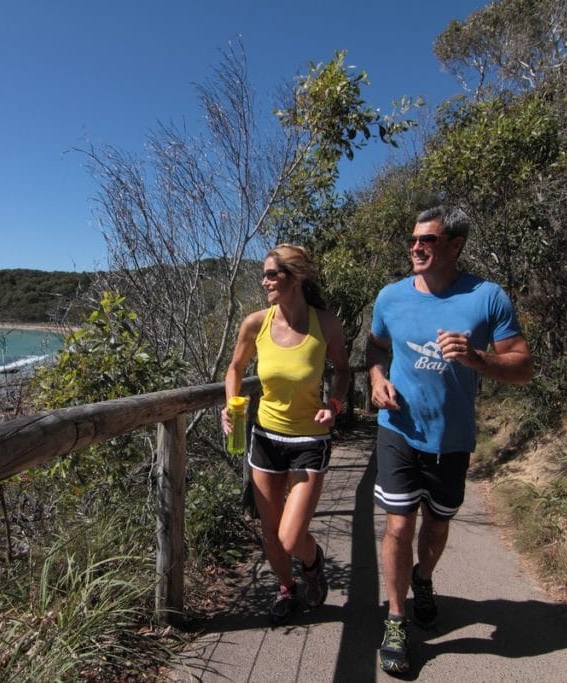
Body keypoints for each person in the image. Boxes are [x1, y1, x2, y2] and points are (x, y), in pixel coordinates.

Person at [366, 206, 533, 673]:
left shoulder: (486, 297)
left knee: (436, 526)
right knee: (399, 526)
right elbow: (376, 346)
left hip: (452, 439)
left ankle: (424, 578)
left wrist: (478, 359)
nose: (416, 247)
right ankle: (396, 621)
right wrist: (377, 381)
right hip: (398, 431)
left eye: (429, 241)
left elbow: (523, 366)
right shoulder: (390, 297)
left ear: (454, 246)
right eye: (414, 240)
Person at [222, 243, 350, 625]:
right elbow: (234, 368)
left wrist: (336, 403)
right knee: (270, 531)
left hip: (310, 440)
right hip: (265, 438)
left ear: (296, 277)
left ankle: (312, 563)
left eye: (272, 274)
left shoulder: (325, 324)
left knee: (292, 537)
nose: (264, 281)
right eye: (264, 274)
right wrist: (231, 404)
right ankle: (286, 588)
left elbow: (343, 370)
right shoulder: (255, 323)